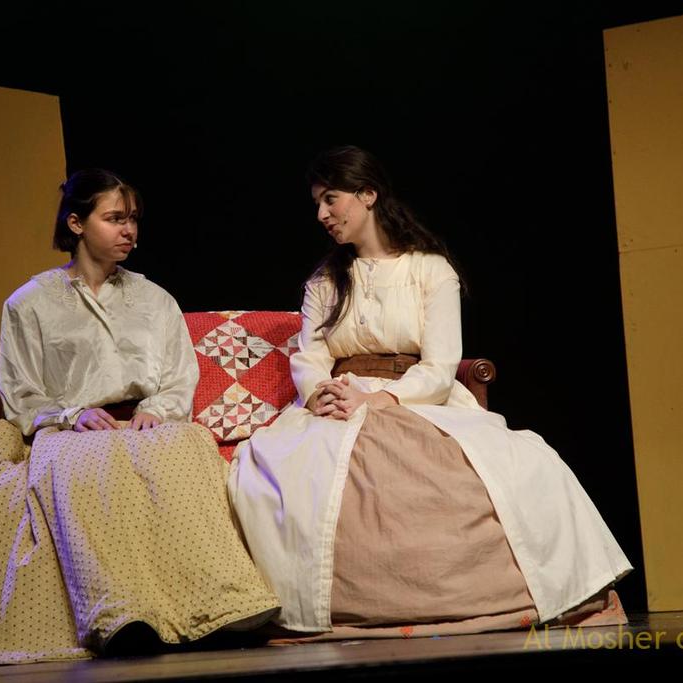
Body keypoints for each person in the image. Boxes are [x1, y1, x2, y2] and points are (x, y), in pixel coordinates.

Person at [0, 169, 279, 672]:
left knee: (187, 448)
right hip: (71, 430)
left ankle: (224, 606)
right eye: (114, 218)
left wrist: (156, 410)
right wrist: (71, 414)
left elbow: (178, 375)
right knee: (85, 467)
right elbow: (21, 391)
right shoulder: (30, 303)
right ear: (76, 223)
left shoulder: (154, 299)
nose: (129, 230)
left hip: (146, 425)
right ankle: (119, 616)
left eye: (133, 219)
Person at [228, 146, 631, 638]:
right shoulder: (325, 282)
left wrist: (381, 400)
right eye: (317, 203)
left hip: (417, 394)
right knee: (290, 471)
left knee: (520, 463)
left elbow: (441, 365)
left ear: (368, 194)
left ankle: (511, 595)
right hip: (341, 393)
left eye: (331, 199)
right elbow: (311, 355)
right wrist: (317, 394)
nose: (322, 214)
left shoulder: (430, 270)